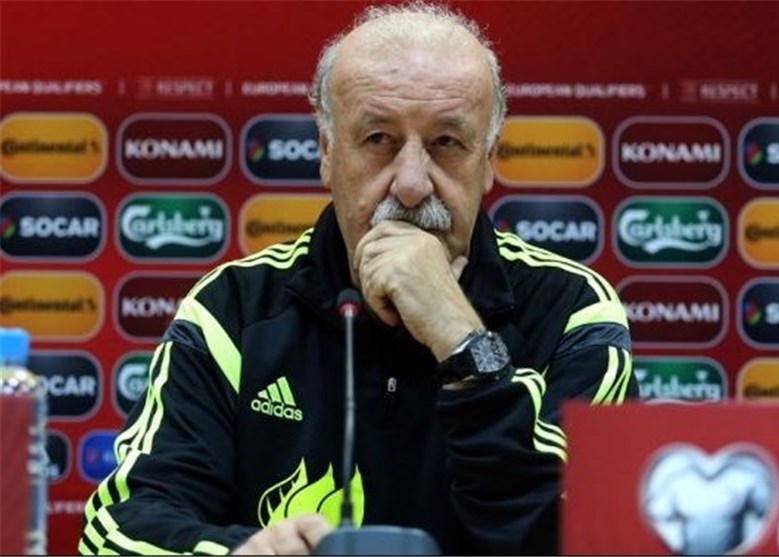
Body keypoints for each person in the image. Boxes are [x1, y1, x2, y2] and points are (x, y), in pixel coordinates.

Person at [79, 2, 637, 555]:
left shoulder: (572, 311)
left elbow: (593, 537)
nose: (412, 184)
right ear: (326, 153)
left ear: (488, 159)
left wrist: (459, 337)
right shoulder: (234, 311)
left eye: (446, 143)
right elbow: (121, 529)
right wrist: (240, 554)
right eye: (378, 140)